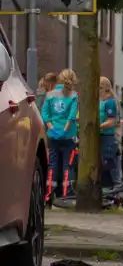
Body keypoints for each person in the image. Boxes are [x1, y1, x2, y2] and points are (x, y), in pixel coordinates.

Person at [41, 70, 77, 199]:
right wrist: (65, 130)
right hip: (69, 136)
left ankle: (49, 193)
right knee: (68, 165)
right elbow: (71, 116)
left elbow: (44, 114)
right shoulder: (73, 95)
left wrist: (53, 129)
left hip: (53, 136)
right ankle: (66, 194)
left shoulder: (50, 94)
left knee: (52, 164)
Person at [99, 77, 122, 188]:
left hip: (108, 137)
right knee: (104, 166)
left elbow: (111, 121)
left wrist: (98, 127)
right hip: (102, 136)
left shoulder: (110, 102)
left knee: (110, 165)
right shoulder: (102, 101)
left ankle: (115, 191)